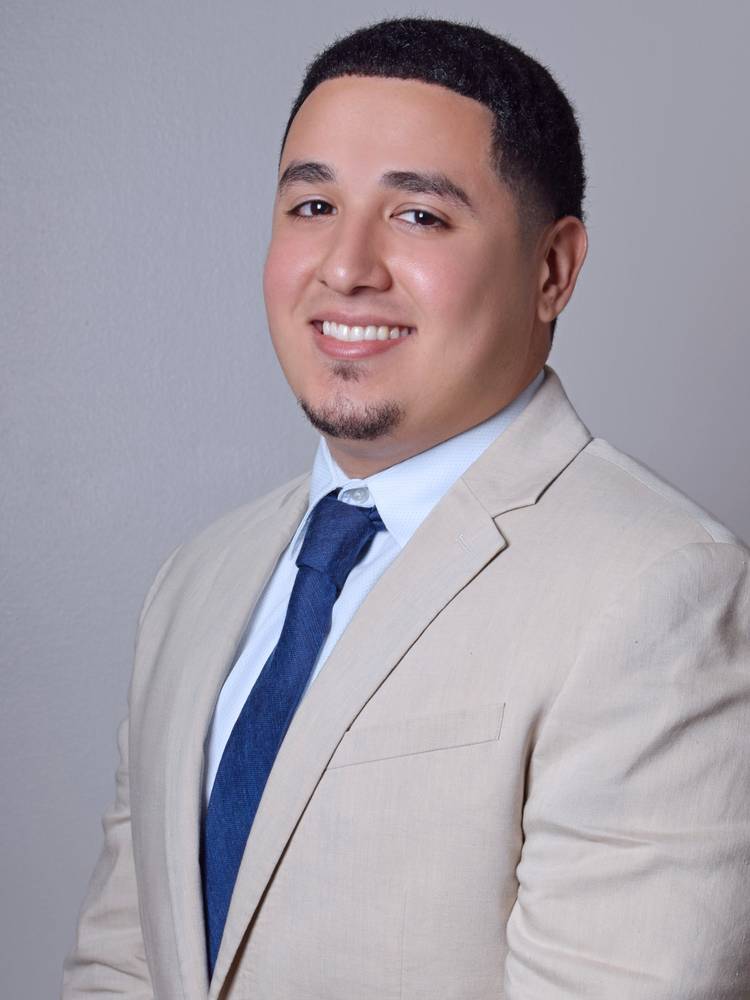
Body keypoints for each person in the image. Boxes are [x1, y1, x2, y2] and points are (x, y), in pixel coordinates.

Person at [62, 17, 750, 1000]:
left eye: (419, 216)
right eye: (312, 205)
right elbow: (123, 961)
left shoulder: (663, 591)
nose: (346, 266)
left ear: (552, 270)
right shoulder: (197, 579)